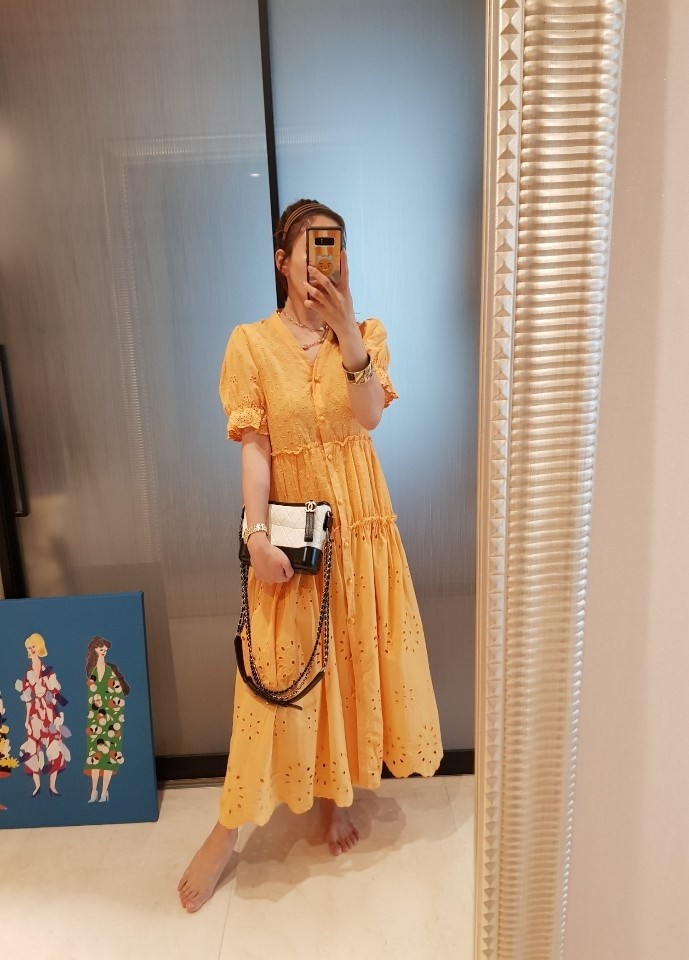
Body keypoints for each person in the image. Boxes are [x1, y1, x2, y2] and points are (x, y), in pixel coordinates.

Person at [178, 199, 442, 913]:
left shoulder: (365, 334)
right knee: (276, 674)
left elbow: (370, 415)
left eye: (335, 249)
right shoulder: (250, 344)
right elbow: (255, 450)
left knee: (349, 658)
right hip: (293, 540)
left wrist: (348, 331)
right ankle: (226, 830)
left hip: (360, 528)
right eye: (311, 248)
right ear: (281, 260)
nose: (325, 262)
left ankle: (335, 794)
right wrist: (255, 536)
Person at [15, 632, 71, 796]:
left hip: (50, 713)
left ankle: (52, 786)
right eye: (28, 647)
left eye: (33, 646)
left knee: (54, 746)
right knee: (32, 749)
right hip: (35, 715)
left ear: (39, 647)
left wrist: (55, 706)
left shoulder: (49, 672)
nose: (31, 650)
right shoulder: (27, 675)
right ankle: (37, 786)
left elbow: (56, 692)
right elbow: (27, 699)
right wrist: (27, 719)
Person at [84, 636, 130, 803]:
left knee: (109, 757)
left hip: (111, 719)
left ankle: (104, 792)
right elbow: (92, 692)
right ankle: (93, 792)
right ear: (94, 649)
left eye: (105, 649)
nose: (103, 651)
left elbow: (121, 691)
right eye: (100, 648)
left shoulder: (112, 669)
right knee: (95, 756)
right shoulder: (91, 669)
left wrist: (113, 704)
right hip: (96, 719)